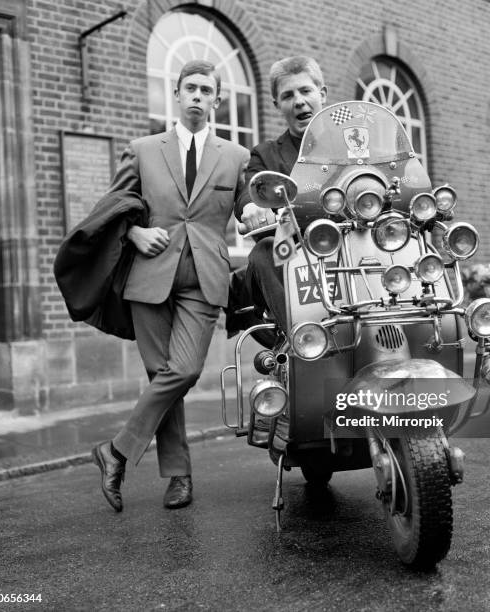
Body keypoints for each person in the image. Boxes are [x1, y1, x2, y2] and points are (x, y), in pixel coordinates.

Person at [91, 60, 249, 512]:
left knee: (183, 371)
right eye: (190, 88)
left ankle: (116, 451)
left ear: (217, 100)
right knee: (162, 377)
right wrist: (135, 233)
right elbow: (113, 207)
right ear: (177, 95)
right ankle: (179, 476)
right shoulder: (142, 149)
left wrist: (257, 213)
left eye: (207, 90)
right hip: (149, 276)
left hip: (204, 278)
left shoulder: (235, 156)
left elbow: (247, 208)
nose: (198, 95)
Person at [233, 56, 327, 334]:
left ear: (322, 94)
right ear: (277, 106)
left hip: (357, 250)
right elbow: (250, 189)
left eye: (306, 91)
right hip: (298, 257)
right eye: (288, 95)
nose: (299, 101)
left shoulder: (354, 144)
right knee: (263, 250)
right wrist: (251, 207)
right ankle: (304, 338)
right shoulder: (266, 154)